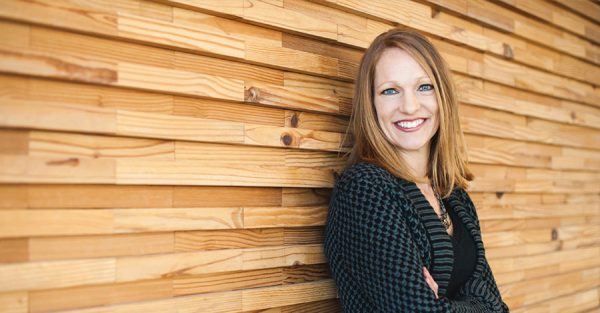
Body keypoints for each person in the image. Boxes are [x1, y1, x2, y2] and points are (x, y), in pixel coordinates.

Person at [323, 28, 510, 312]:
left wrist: (444, 306)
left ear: (442, 97)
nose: (409, 106)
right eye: (390, 91)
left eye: (424, 87)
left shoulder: (454, 196)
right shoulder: (365, 190)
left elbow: (497, 306)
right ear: (371, 105)